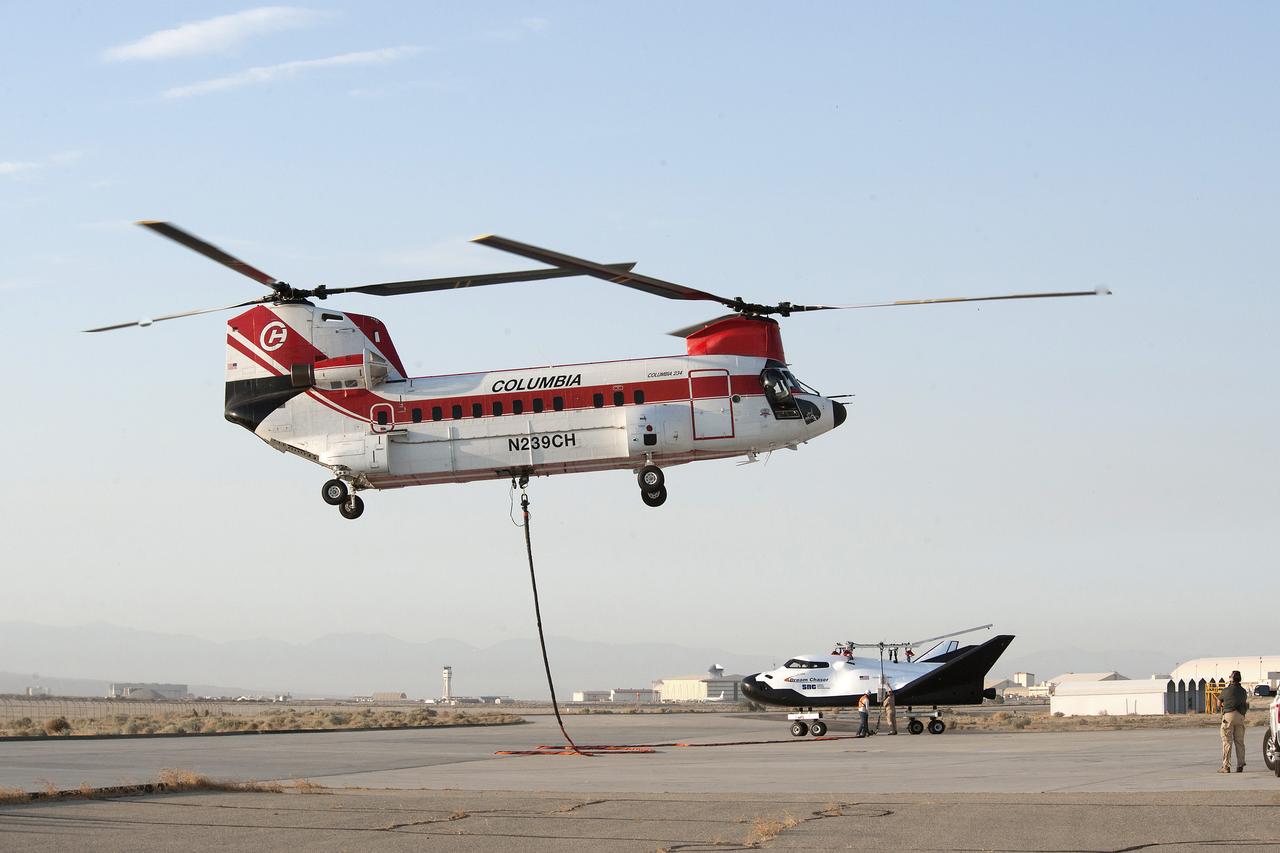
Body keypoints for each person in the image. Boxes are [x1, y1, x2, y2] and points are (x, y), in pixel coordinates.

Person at [1219, 670, 1249, 773]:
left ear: (1231, 679)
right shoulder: (1243, 691)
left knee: (1227, 741)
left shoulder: (1226, 690)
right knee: (1239, 742)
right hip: (1240, 717)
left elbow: (1220, 702)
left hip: (1228, 717)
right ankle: (1240, 764)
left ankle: (1226, 766)